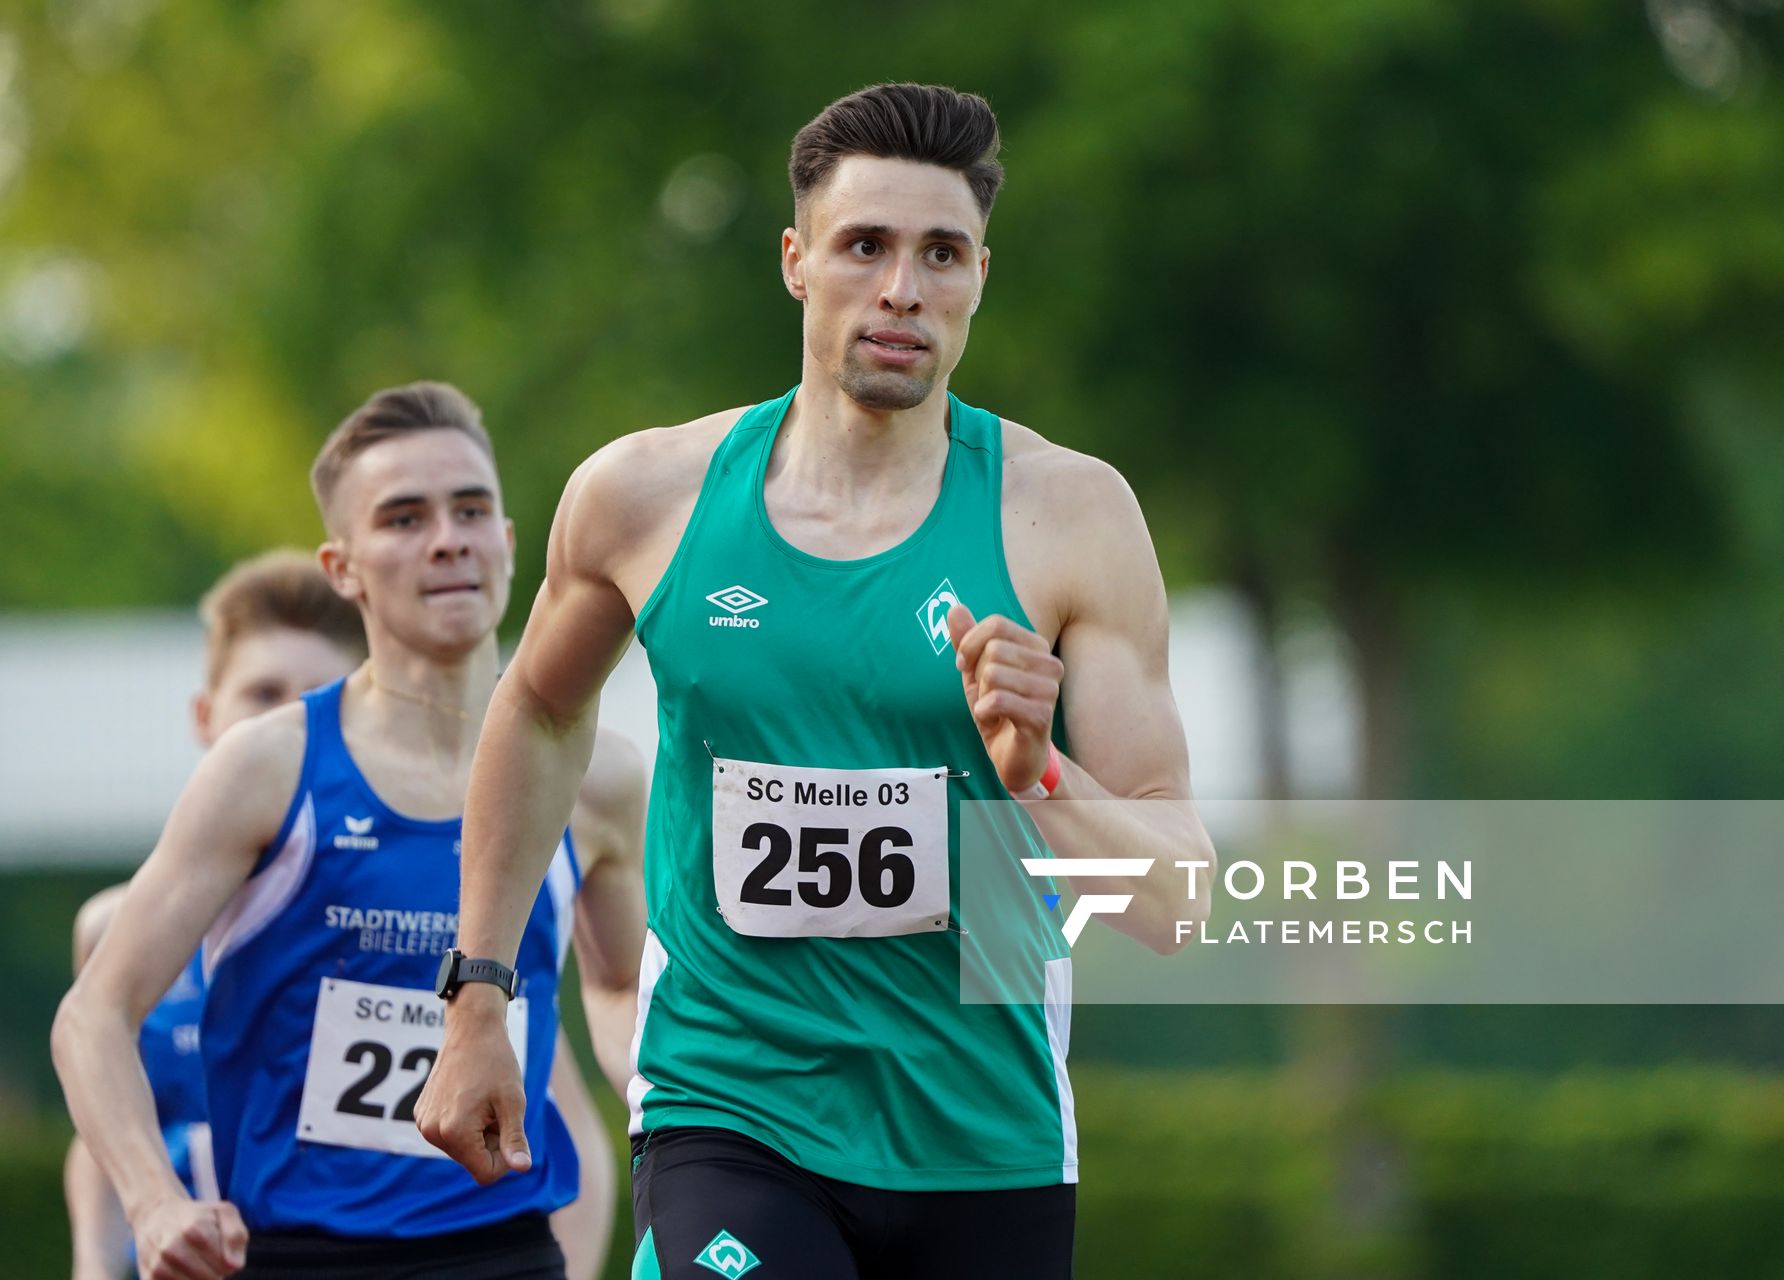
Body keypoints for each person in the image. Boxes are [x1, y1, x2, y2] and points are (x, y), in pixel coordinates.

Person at [419, 83, 1217, 1278]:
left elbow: (1176, 900)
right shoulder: (648, 499)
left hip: (982, 1136)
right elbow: (538, 708)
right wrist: (477, 991)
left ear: (981, 277)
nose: (902, 287)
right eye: (866, 246)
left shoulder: (1068, 517)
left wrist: (1038, 771)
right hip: (730, 1108)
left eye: (940, 253)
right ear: (797, 261)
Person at [53, 382, 648, 1280]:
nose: (447, 537)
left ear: (510, 543)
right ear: (344, 569)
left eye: (471, 509)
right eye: (404, 518)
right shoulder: (270, 766)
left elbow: (618, 990)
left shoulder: (597, 775)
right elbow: (91, 1016)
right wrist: (153, 1201)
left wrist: (669, 1109)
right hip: (299, 1252)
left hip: (504, 1249)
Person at [66, 550, 365, 1280]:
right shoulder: (114, 929)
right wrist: (99, 1256)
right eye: (263, 694)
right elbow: (101, 1124)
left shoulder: (407, 923)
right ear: (206, 716)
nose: (289, 725)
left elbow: (552, 1123)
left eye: (319, 698)